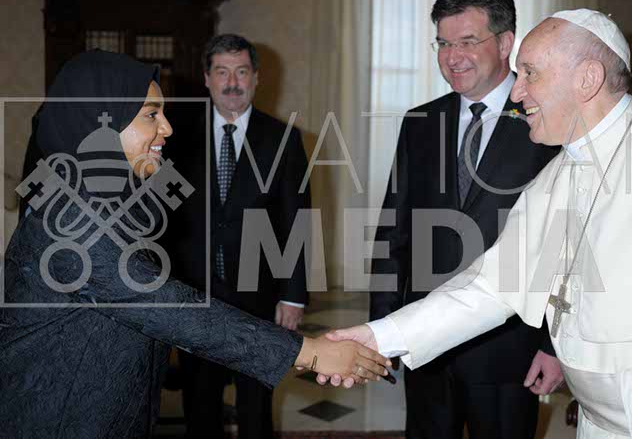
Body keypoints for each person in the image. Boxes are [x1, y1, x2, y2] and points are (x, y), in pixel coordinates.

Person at [324, 9, 632, 438]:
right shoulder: (558, 175)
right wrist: (378, 336)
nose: (517, 92)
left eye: (531, 73)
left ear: (587, 79)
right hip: (598, 422)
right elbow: (490, 287)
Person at [0, 50, 390, 439]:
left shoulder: (109, 199)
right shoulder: (70, 219)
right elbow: (167, 307)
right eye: (151, 115)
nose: (167, 128)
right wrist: (311, 353)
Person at [368, 0, 560, 438]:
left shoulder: (548, 121)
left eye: (468, 41)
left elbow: (567, 243)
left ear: (506, 42)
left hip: (509, 349)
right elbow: (394, 230)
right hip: (427, 342)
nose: (452, 57)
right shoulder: (420, 122)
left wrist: (554, 346)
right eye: (443, 43)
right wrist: (384, 326)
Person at [163, 34, 310, 439]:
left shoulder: (283, 139)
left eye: (241, 72)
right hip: (193, 294)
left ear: (256, 78)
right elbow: (162, 216)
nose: (232, 83)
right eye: (222, 72)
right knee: (200, 403)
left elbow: (297, 221)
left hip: (259, 296)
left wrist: (293, 295)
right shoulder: (176, 136)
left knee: (256, 405)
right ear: (206, 78)